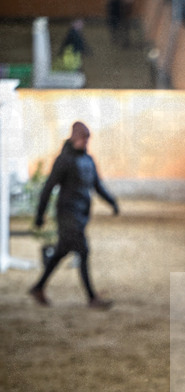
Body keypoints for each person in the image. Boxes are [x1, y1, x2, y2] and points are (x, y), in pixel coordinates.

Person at [29, 121, 119, 309]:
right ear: (74, 138)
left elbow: (97, 186)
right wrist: (40, 214)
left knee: (61, 252)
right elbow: (48, 187)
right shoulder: (64, 160)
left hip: (81, 214)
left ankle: (38, 287)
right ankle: (92, 298)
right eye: (82, 138)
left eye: (87, 139)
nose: (85, 142)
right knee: (83, 251)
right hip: (67, 214)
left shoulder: (88, 161)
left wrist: (112, 202)